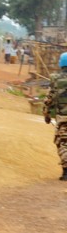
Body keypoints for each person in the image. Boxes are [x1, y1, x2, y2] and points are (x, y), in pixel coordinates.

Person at [43, 52, 67, 181]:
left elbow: (49, 98)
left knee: (63, 143)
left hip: (63, 118)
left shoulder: (55, 79)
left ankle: (66, 172)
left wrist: (46, 114)